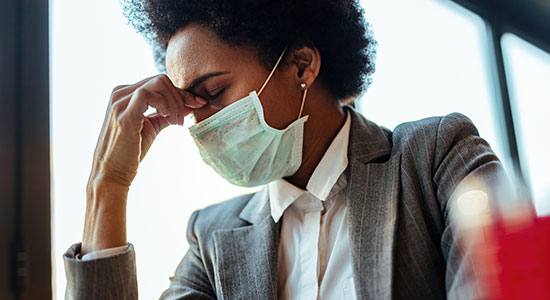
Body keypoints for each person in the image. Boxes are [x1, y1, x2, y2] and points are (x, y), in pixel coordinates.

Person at [63, 0, 507, 299]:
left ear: (301, 64)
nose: (202, 125)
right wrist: (108, 186)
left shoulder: (434, 157)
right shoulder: (211, 238)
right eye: (190, 104)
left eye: (214, 92)